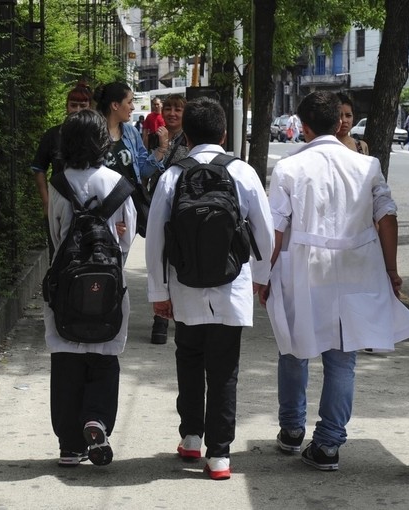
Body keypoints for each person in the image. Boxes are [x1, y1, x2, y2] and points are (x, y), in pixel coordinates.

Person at [261, 91, 409, 472]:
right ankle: (329, 444)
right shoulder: (367, 166)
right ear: (339, 123)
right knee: (342, 359)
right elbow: (387, 217)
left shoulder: (288, 168)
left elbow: (275, 231)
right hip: (357, 268)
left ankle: (291, 430)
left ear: (303, 127)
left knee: (293, 349)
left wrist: (262, 276)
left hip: (303, 269)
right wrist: (391, 269)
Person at [145, 96, 275, 480]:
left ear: (186, 133)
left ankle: (191, 437)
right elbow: (264, 234)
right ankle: (219, 456)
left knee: (188, 360)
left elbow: (155, 238)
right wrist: (261, 277)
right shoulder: (242, 172)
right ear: (223, 132)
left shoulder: (173, 175)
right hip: (231, 286)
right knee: (224, 369)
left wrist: (159, 292)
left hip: (185, 287)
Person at [44, 109, 137, 468]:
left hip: (66, 286)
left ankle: (69, 444)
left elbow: (55, 236)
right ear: (103, 142)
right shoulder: (118, 183)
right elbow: (127, 241)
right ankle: (96, 419)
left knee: (67, 359)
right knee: (103, 356)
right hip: (109, 286)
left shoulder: (58, 184)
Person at [94, 82, 165, 239]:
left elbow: (143, 171)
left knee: (120, 258)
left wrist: (161, 150)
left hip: (128, 208)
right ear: (115, 105)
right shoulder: (92, 133)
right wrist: (108, 220)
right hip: (101, 209)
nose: (133, 107)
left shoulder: (131, 133)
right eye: (130, 102)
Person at [30, 82, 92, 261]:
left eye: (83, 105)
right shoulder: (53, 135)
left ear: (90, 107)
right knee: (57, 256)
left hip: (89, 203)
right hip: (59, 202)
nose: (78, 110)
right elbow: (38, 168)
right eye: (74, 105)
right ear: (66, 106)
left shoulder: (96, 134)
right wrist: (46, 201)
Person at [148, 93, 189, 345]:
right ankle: (160, 319)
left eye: (178, 110)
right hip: (157, 201)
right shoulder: (157, 135)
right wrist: (160, 148)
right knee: (160, 257)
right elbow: (149, 168)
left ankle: (179, 314)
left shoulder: (190, 139)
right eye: (169, 109)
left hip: (181, 205)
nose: (172, 113)